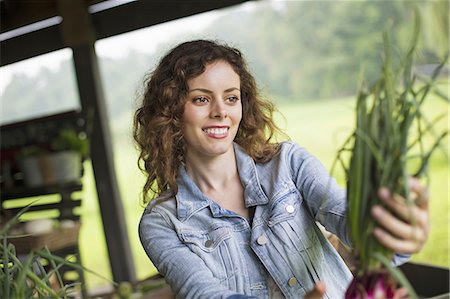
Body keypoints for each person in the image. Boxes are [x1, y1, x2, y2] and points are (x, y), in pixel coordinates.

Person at [134, 40, 429, 298]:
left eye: (231, 97)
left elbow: (348, 219)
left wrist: (392, 230)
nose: (220, 111)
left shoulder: (288, 163)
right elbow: (203, 293)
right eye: (201, 99)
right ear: (170, 112)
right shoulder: (162, 223)